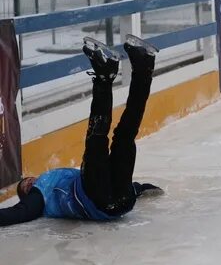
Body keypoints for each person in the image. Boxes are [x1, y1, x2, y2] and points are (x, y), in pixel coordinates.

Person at [0, 37, 162, 227]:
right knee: (97, 137)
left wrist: (139, 188)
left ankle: (143, 69)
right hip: (96, 200)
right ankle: (104, 76)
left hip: (121, 199)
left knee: (125, 136)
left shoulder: (53, 181)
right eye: (25, 188)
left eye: (26, 181)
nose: (28, 183)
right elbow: (21, 212)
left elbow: (112, 175)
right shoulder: (41, 193)